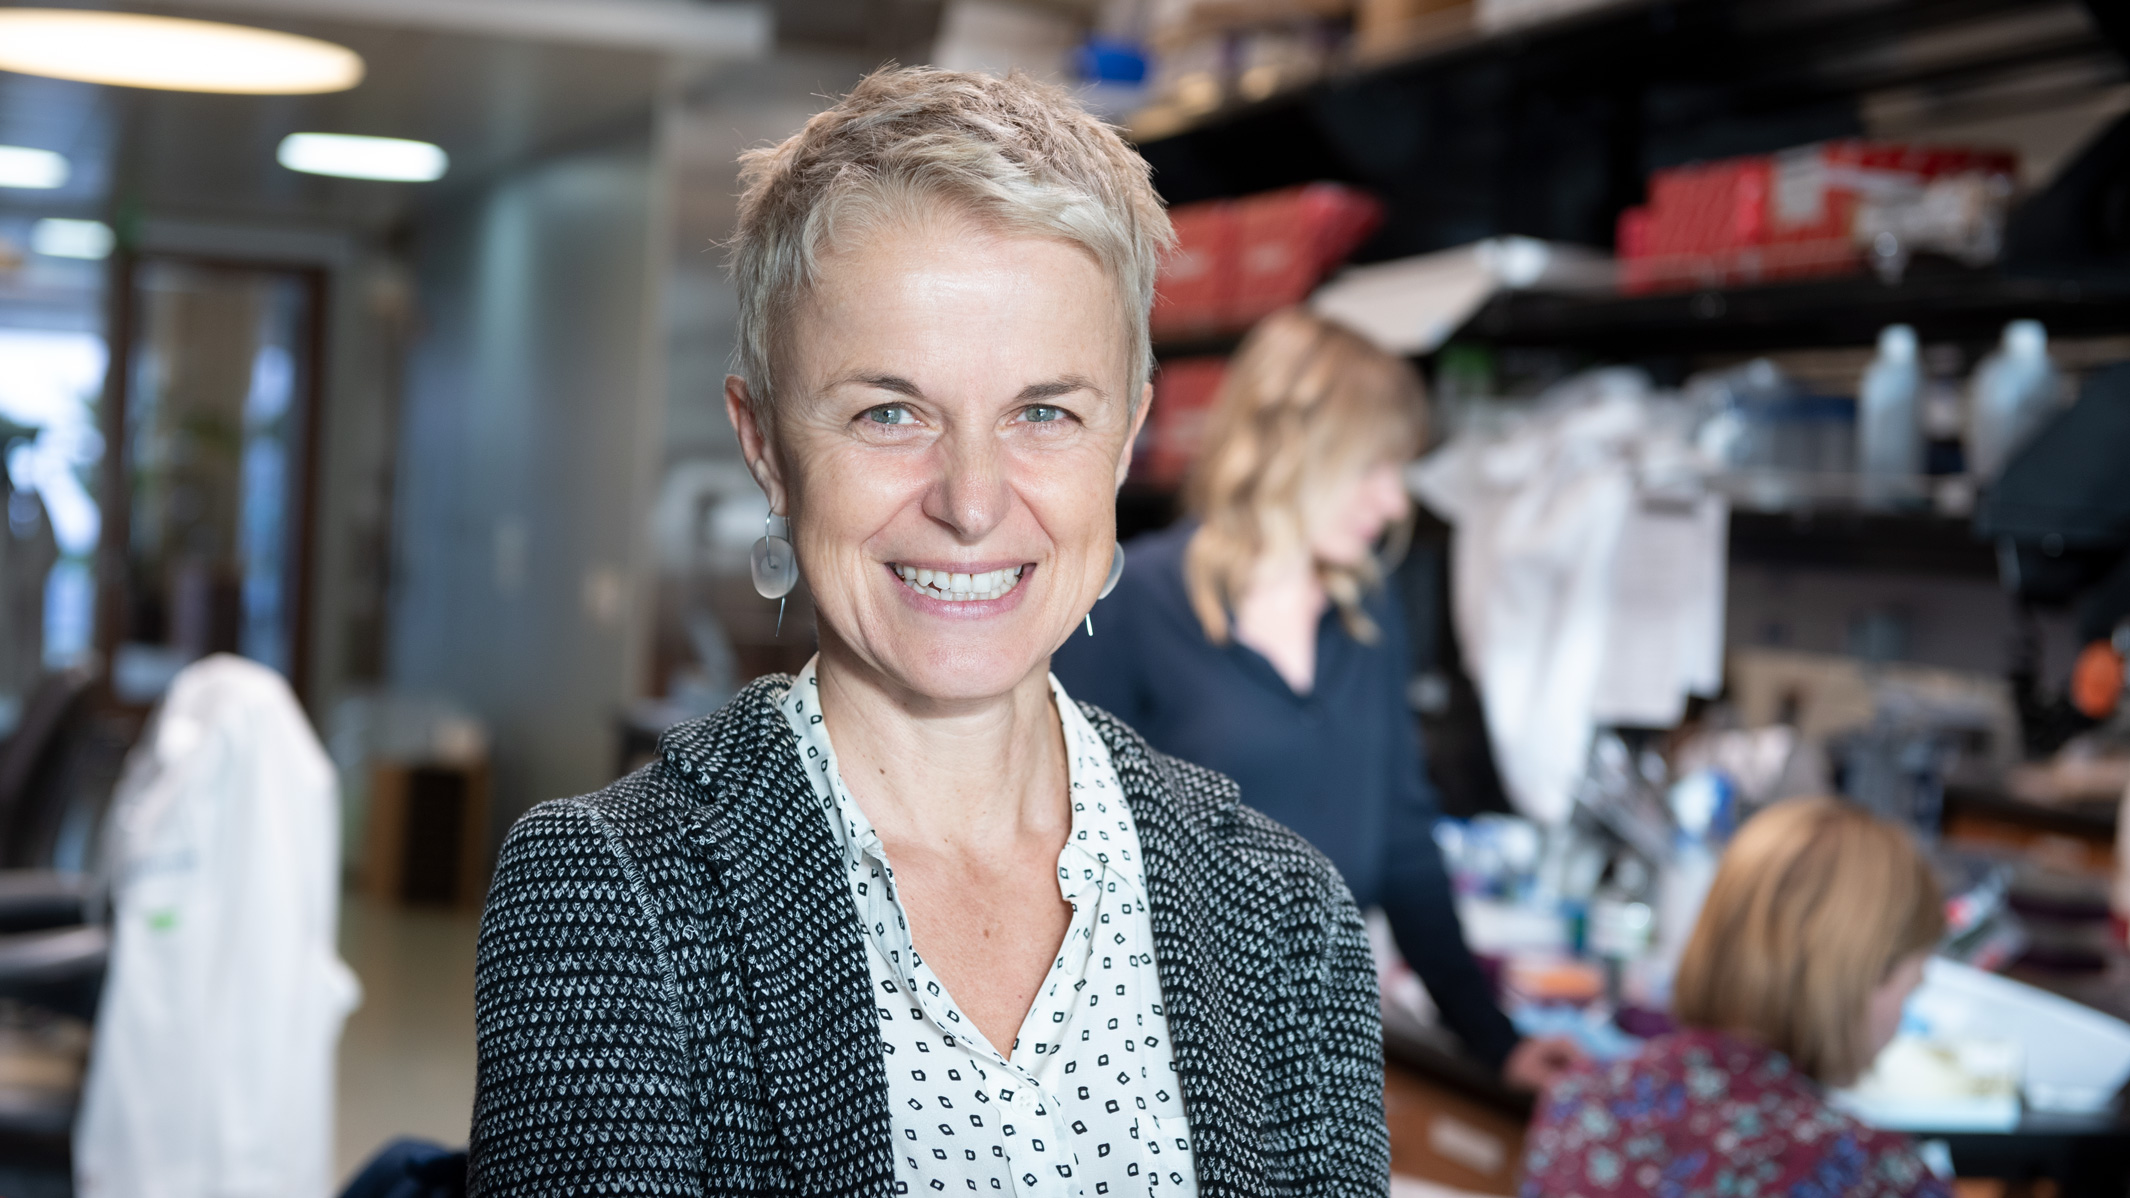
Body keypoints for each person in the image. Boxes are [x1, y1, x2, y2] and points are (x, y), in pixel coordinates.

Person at [469, 68, 1389, 1196]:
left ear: (1129, 436)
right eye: (889, 412)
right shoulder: (614, 895)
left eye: (1044, 412)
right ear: (763, 443)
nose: (970, 499)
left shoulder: (1287, 916)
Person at [1053, 309, 1580, 1092]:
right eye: (1376, 467)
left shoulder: (1368, 619)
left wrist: (1494, 1040)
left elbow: (1404, 847)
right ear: (1295, 450)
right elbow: (1063, 857)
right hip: (1162, 1053)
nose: (1395, 503)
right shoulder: (1131, 605)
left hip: (1320, 1036)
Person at [1519, 797, 1950, 1198]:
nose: (1899, 1025)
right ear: (1866, 975)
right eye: (1910, 990)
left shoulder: (1579, 1101)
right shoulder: (1876, 1175)